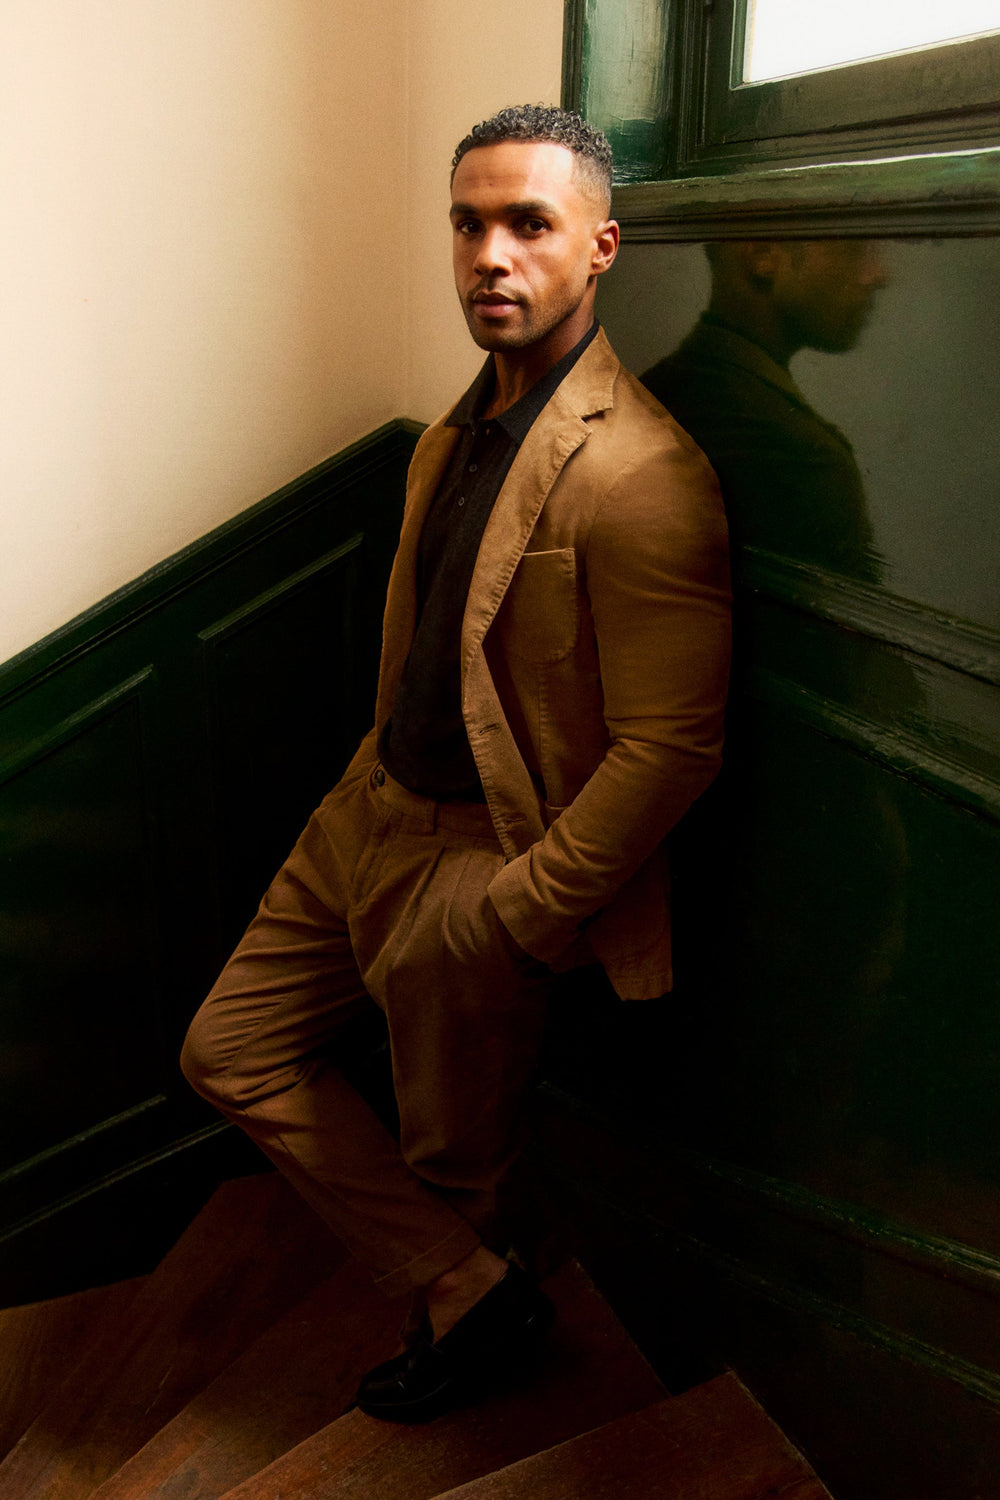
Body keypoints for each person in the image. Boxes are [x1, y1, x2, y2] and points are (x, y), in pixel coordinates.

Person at [181, 104, 731, 1423]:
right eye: (468, 225)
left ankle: (470, 1334)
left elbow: (671, 743)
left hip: (482, 863)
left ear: (600, 246)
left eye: (529, 224)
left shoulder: (643, 471)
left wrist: (520, 913)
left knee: (454, 1153)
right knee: (228, 1048)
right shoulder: (454, 432)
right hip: (366, 813)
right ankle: (470, 1286)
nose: (490, 255)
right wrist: (365, 787)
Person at [643, 239, 889, 582]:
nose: (879, 275)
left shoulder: (652, 390)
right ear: (762, 254)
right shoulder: (805, 460)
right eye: (853, 248)